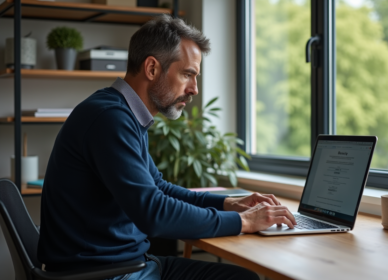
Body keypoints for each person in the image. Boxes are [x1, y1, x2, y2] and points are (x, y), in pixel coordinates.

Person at [37, 15, 296, 280]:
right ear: (152, 68)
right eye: (187, 74)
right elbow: (154, 213)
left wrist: (229, 204)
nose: (194, 89)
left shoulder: (123, 114)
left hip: (124, 264)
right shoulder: (110, 119)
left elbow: (159, 189)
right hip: (106, 274)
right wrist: (245, 222)